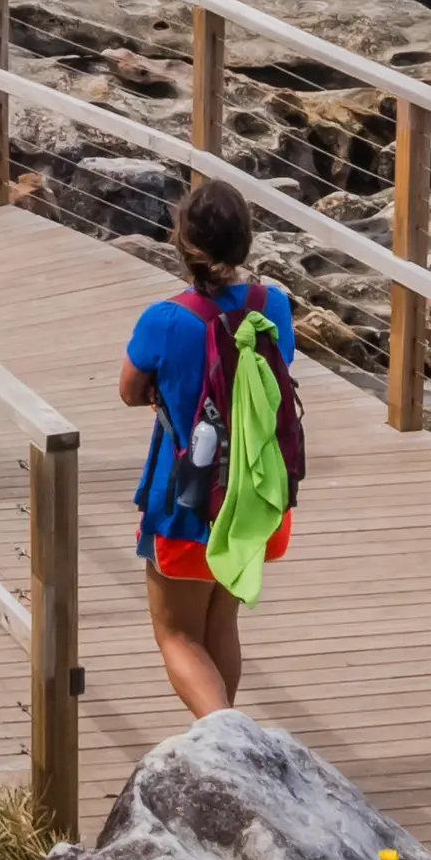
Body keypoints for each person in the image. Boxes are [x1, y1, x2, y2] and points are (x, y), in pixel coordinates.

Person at [117, 176, 300, 718]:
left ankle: (226, 740)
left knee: (177, 635)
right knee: (222, 624)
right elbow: (274, 370)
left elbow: (129, 390)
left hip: (186, 497)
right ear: (245, 241)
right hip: (250, 493)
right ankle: (225, 743)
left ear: (182, 242)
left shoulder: (165, 318)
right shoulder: (276, 306)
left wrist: (161, 386)